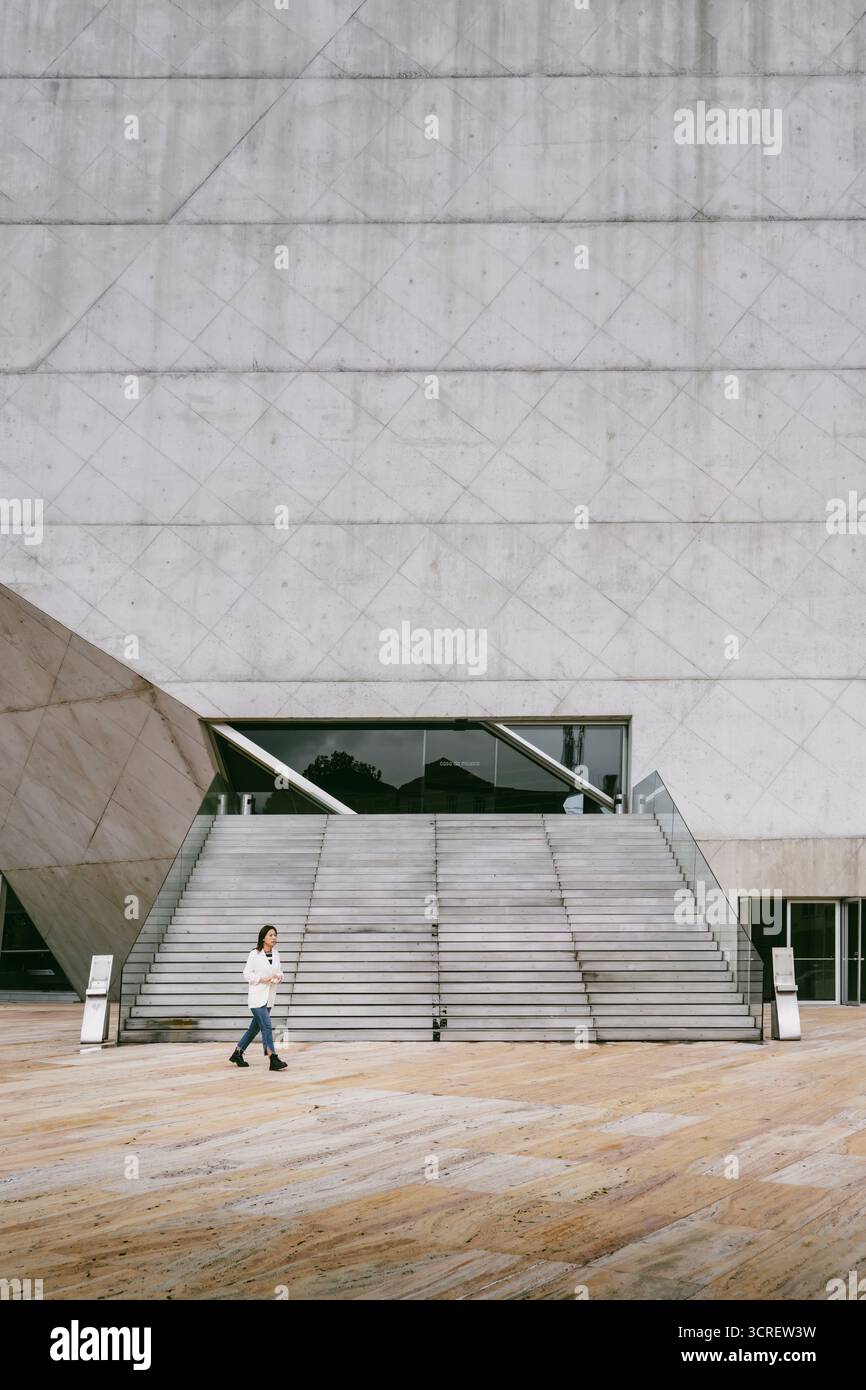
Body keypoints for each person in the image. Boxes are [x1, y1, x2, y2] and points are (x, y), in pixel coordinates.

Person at [229, 924, 288, 1071]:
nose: (274, 938)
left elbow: (279, 971)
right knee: (267, 1026)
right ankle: (273, 1058)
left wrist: (278, 977)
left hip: (269, 998)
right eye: (271, 935)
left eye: (275, 935)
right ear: (263, 938)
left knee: (254, 1029)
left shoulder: (276, 954)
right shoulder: (254, 954)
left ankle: (238, 1053)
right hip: (257, 998)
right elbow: (247, 974)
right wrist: (262, 979)